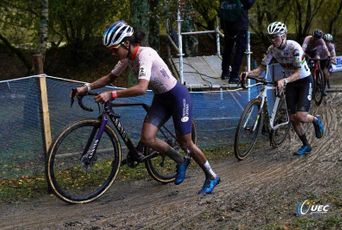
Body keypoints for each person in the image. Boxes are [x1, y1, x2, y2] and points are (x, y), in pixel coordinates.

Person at [74, 20, 220, 194]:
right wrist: (86, 87)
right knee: (147, 138)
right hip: (161, 99)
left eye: (114, 49)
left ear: (126, 43)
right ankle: (180, 161)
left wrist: (112, 94)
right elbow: (108, 78)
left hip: (178, 97)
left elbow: (142, 88)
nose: (113, 54)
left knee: (185, 142)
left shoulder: (145, 55)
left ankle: (212, 176)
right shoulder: (127, 58)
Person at [241, 21, 325, 156]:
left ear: (284, 35)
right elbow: (260, 69)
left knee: (301, 116)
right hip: (290, 82)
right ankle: (306, 145)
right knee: (293, 118)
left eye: (276, 36)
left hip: (303, 80)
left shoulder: (295, 47)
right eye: (271, 37)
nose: (273, 40)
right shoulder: (272, 49)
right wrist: (248, 73)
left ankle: (315, 119)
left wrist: (284, 80)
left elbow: (298, 72)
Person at [219, 0, 255, 83]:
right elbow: (248, 3)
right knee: (239, 50)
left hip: (226, 22)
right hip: (240, 22)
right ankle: (234, 75)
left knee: (228, 47)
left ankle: (225, 72)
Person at [302, 29, 331, 95]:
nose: (316, 40)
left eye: (317, 38)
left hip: (314, 52)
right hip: (306, 52)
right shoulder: (307, 39)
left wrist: (328, 54)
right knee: (305, 66)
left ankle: (320, 84)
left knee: (318, 59)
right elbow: (302, 50)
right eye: (315, 38)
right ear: (312, 35)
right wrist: (306, 56)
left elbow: (325, 48)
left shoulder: (321, 40)